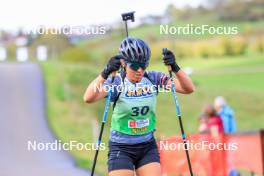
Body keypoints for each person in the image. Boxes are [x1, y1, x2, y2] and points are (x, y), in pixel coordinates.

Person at [83, 37, 195, 176]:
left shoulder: (153, 79)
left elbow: (188, 89)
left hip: (147, 146)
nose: (140, 70)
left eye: (144, 65)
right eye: (135, 66)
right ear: (123, 63)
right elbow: (88, 97)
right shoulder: (116, 82)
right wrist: (105, 72)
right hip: (121, 148)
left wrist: (175, 67)